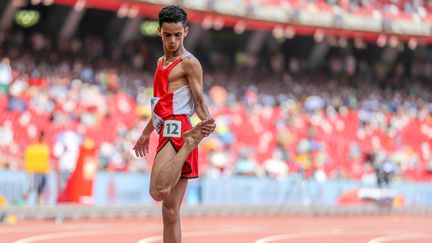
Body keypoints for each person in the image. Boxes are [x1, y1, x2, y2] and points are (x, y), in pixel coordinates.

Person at [133, 5, 216, 243]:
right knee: (170, 211)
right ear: (159, 31)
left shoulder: (190, 63)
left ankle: (189, 144)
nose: (172, 40)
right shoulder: (160, 63)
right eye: (168, 34)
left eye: (177, 35)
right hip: (166, 125)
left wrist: (207, 121)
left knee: (157, 191)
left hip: (179, 126)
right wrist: (145, 133)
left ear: (186, 32)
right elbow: (161, 105)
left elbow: (199, 102)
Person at [23, 131, 50, 205]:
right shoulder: (34, 147)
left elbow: (46, 159)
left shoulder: (45, 147)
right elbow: (29, 158)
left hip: (43, 171)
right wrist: (29, 169)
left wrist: (47, 169)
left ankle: (39, 204)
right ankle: (24, 200)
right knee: (31, 187)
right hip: (34, 170)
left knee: (40, 189)